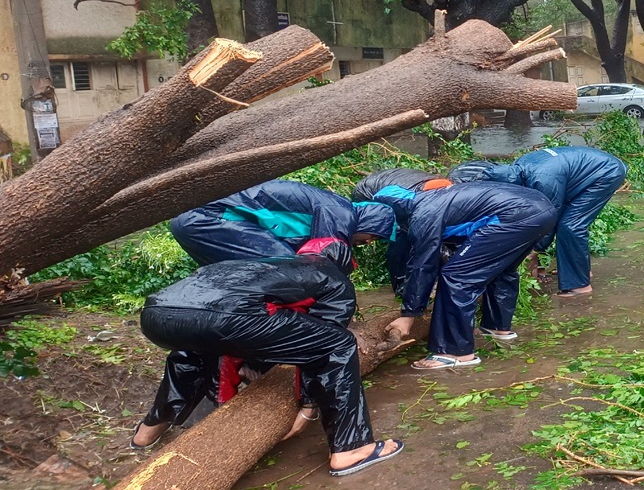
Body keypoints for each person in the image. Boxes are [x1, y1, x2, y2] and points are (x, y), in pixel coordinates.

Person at [131, 242, 402, 477]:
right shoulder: (333, 276)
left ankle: (149, 431)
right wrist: (307, 407)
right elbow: (318, 347)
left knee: (196, 348)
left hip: (156, 315)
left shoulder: (263, 264)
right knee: (339, 343)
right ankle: (351, 449)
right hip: (227, 317)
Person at [373, 182, 556, 370]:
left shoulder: (422, 216)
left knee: (456, 277)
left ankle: (454, 352)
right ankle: (497, 327)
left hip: (515, 214)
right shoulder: (429, 200)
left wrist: (409, 314)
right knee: (501, 268)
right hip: (542, 207)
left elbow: (422, 265)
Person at [447, 147, 627, 297]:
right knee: (563, 223)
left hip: (606, 172)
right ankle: (579, 269)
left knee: (570, 225)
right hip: (578, 174)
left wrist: (532, 252)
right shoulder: (519, 169)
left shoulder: (541, 179)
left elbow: (548, 220)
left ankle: (579, 286)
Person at [169, 179, 396, 266]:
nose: (368, 242)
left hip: (191, 220)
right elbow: (325, 262)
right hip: (208, 218)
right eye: (374, 236)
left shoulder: (331, 209)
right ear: (370, 223)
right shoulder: (341, 211)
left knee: (237, 282)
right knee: (288, 269)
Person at [351, 168, 454, 296]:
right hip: (369, 193)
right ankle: (403, 289)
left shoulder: (445, 199)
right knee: (404, 235)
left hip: (406, 187)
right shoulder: (411, 202)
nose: (368, 242)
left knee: (423, 236)